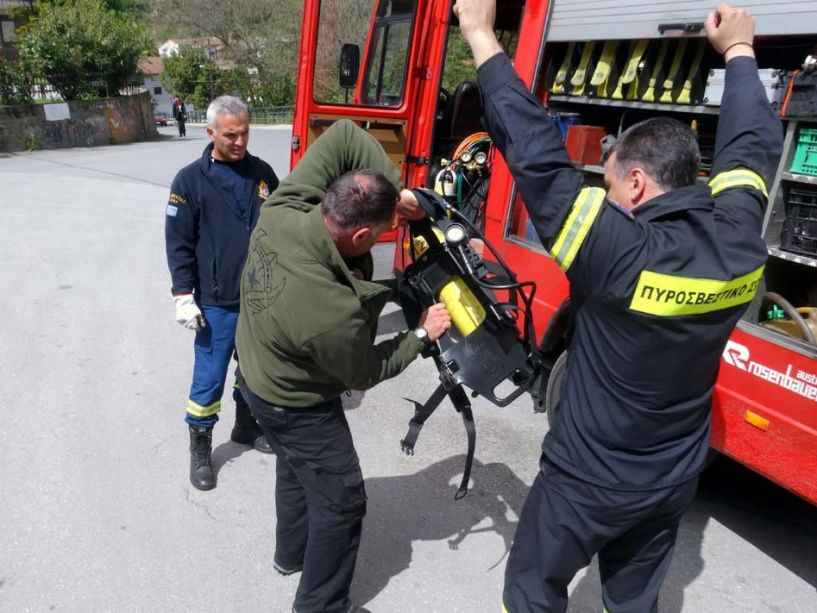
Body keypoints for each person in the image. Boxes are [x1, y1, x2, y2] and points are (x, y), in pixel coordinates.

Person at [452, 2, 783, 611]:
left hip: (585, 481)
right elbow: (753, 152)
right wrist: (740, 54)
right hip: (671, 482)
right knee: (633, 603)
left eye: (607, 185)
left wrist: (476, 30)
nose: (605, 198)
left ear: (635, 183)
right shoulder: (739, 241)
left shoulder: (617, 251)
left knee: (530, 591)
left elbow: (534, 152)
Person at [235, 119, 451, 613]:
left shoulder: (283, 208)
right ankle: (320, 606)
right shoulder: (334, 310)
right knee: (343, 499)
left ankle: (290, 556)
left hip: (256, 378)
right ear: (358, 235)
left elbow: (345, 134)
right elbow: (363, 374)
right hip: (296, 404)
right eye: (379, 233)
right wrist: (421, 334)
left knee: (293, 468)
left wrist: (396, 195)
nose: (382, 238)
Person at [165, 95, 279, 491]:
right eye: (231, 135)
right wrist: (183, 295)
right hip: (216, 304)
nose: (240, 141)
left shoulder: (262, 175)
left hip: (258, 300)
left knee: (252, 372)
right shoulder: (190, 181)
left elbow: (280, 227)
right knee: (209, 380)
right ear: (210, 131)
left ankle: (246, 428)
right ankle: (200, 447)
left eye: (245, 132)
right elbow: (178, 243)